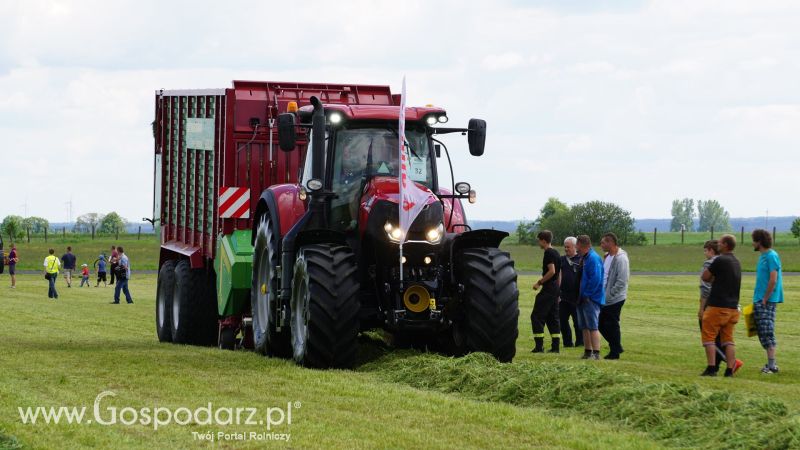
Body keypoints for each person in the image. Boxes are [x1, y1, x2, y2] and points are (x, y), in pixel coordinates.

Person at [698, 241, 743, 374]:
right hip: (733, 307)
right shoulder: (736, 261)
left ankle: (711, 368)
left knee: (709, 338)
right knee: (728, 340)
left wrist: (701, 308)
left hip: (717, 306)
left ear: (725, 245)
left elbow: (705, 279)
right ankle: (730, 369)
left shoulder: (717, 261)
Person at [751, 229, 784, 375]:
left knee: (767, 330)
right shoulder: (763, 256)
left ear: (759, 242)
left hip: (766, 300)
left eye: (754, 240)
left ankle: (772, 366)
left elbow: (773, 279)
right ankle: (770, 364)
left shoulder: (771, 256)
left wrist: (765, 298)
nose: (752, 243)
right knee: (761, 331)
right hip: (759, 298)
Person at [599, 232, 629, 360]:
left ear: (610, 243)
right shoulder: (607, 256)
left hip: (614, 298)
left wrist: (609, 295)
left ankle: (615, 351)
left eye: (603, 243)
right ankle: (616, 346)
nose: (601, 245)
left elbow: (622, 281)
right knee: (600, 324)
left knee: (611, 324)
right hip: (604, 297)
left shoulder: (621, 258)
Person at [531, 230, 562, 353]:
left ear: (544, 240)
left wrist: (539, 283)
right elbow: (559, 273)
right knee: (552, 317)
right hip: (555, 288)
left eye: (539, 240)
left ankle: (539, 347)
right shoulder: (556, 252)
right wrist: (558, 290)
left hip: (549, 288)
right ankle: (555, 347)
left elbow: (552, 271)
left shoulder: (548, 253)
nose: (538, 243)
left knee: (536, 316)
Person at [576, 235, 604, 360]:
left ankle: (596, 353)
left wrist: (587, 295)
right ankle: (588, 352)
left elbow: (596, 279)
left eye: (577, 246)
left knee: (593, 326)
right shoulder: (585, 258)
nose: (577, 249)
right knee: (584, 326)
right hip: (582, 297)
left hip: (590, 298)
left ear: (583, 245)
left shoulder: (593, 258)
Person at [559, 236, 582, 348]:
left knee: (577, 321)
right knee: (562, 320)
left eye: (568, 247)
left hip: (576, 296)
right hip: (563, 296)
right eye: (565, 247)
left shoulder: (581, 259)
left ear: (575, 247)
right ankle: (567, 343)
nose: (566, 249)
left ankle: (580, 342)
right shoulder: (561, 260)